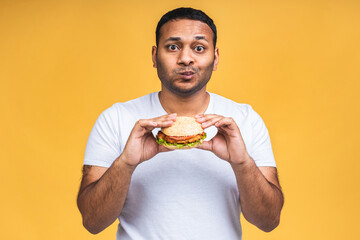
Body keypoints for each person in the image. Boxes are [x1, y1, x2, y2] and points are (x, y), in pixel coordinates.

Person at [77, 7, 284, 239]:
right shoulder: (116, 118)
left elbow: (269, 221)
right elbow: (92, 221)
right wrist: (125, 164)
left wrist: (243, 163)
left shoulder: (245, 120)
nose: (186, 58)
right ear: (155, 56)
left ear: (215, 58)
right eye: (173, 47)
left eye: (199, 48)